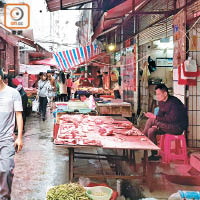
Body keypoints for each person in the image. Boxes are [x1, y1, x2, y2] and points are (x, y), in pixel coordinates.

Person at [143, 84, 188, 161]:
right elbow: (160, 115)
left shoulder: (174, 103)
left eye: (158, 94)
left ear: (165, 93)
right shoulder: (161, 102)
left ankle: (142, 137)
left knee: (151, 120)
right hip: (166, 126)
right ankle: (154, 154)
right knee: (151, 130)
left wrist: (155, 118)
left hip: (177, 127)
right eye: (156, 94)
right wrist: (157, 123)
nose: (157, 96)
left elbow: (172, 119)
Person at [0, 68, 23, 199]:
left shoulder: (13, 93)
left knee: (6, 169)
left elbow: (18, 115)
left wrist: (19, 137)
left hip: (6, 139)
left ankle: (4, 197)